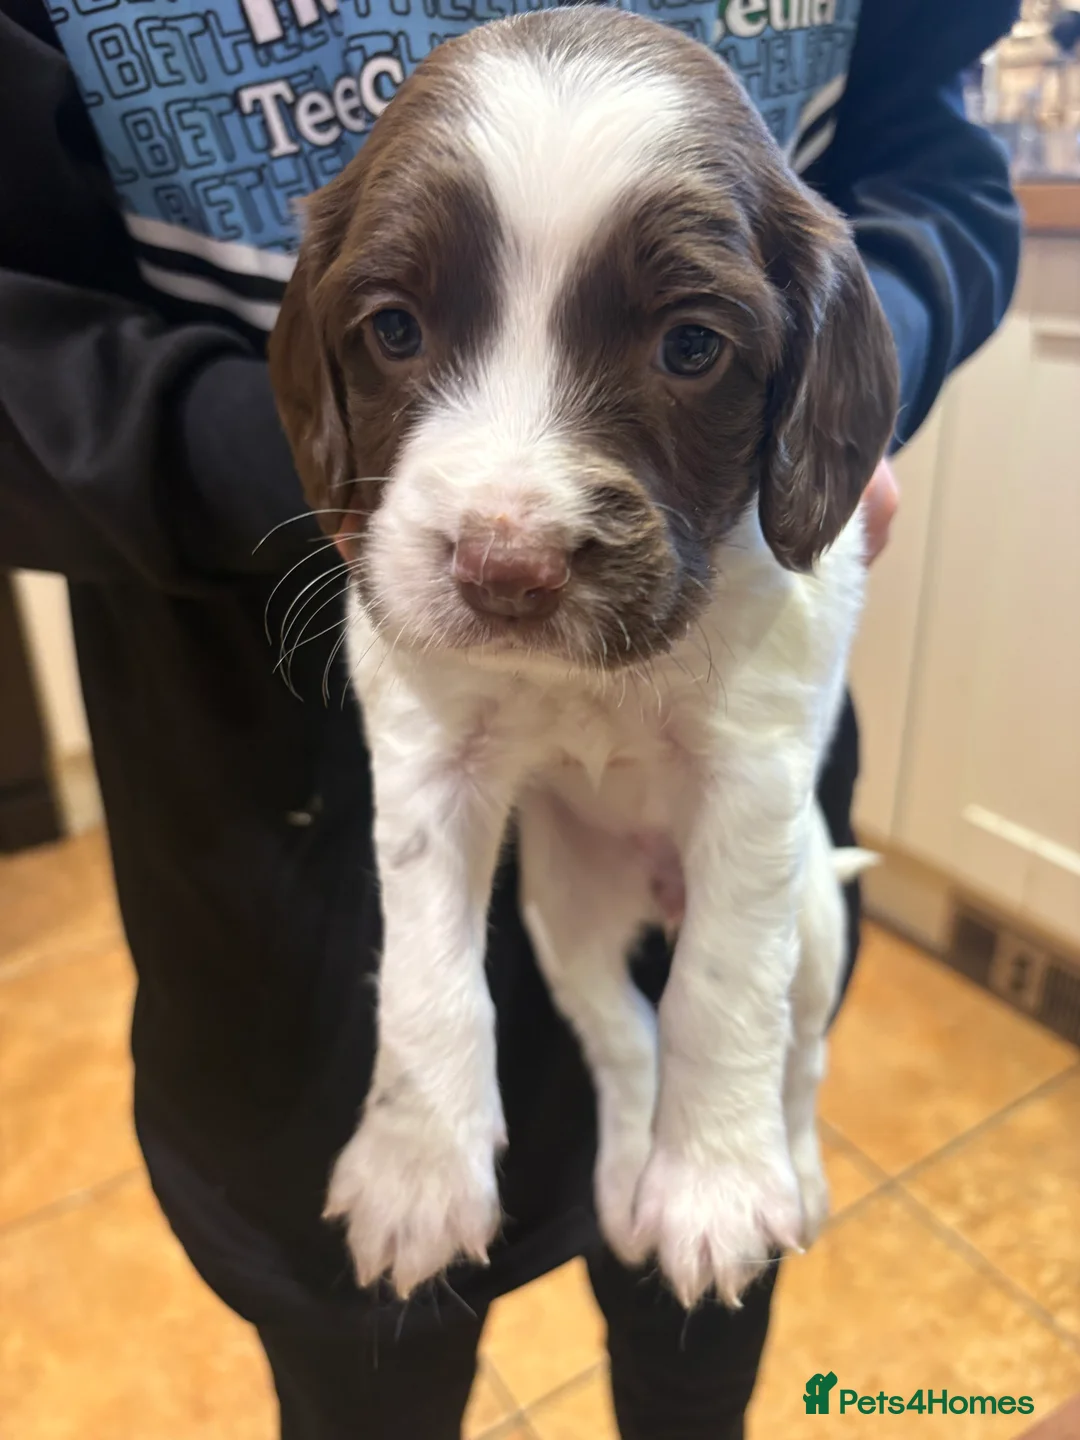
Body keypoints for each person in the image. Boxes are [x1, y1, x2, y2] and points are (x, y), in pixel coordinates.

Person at [0, 1, 1020, 1436]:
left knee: (701, 1314)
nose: (512, 539)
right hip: (267, 824)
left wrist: (835, 413)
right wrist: (301, 470)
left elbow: (936, 168)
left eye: (689, 342)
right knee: (368, 1355)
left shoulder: (802, 299)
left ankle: (745, 1118)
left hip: (717, 731)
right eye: (399, 328)